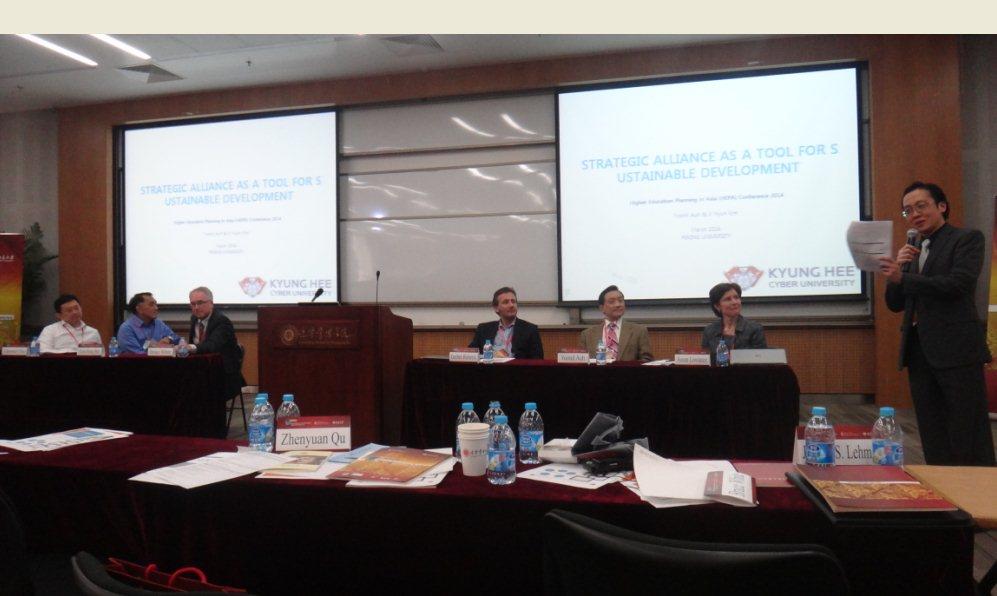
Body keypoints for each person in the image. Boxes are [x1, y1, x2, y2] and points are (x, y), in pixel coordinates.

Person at [878, 181, 995, 466]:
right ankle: (939, 484)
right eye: (908, 211)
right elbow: (895, 304)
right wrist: (899, 269)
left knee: (967, 429)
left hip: (957, 351)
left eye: (921, 206)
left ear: (941, 206)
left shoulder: (967, 239)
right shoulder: (912, 248)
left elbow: (957, 284)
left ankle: (977, 489)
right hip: (919, 351)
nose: (915, 214)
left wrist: (905, 278)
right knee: (932, 429)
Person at [186, 286, 246, 401]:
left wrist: (190, 347)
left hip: (222, 374)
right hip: (201, 370)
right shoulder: (194, 318)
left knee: (191, 390)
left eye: (200, 303)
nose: (196, 307)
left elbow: (212, 346)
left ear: (211, 303)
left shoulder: (222, 321)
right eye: (193, 304)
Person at [580, 285, 653, 362]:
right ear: (602, 308)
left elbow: (647, 360)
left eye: (620, 301)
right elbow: (582, 362)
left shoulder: (639, 331)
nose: (618, 305)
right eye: (612, 302)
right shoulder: (587, 335)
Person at [469, 286, 544, 359]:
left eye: (513, 301)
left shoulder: (530, 330)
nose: (511, 305)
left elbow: (538, 360)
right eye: (506, 302)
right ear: (496, 308)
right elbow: (471, 355)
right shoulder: (483, 329)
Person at [700, 282, 767, 356]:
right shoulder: (709, 330)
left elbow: (760, 358)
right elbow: (705, 358)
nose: (734, 302)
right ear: (717, 306)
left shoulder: (754, 329)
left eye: (736, 297)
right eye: (728, 299)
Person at [37, 294, 102, 353]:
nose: (74, 312)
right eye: (69, 310)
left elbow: (101, 353)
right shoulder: (50, 330)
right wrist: (74, 352)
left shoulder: (93, 332)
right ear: (59, 315)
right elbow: (42, 351)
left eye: (76, 308)